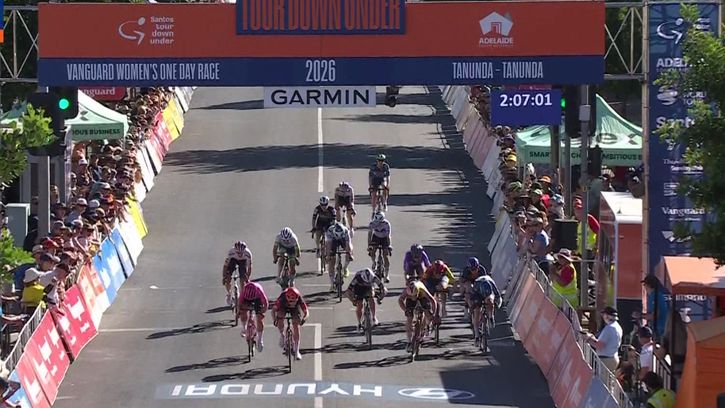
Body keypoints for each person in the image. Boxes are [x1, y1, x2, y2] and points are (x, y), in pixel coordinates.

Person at [398, 278, 437, 352]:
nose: (414, 298)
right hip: (410, 299)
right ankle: (409, 341)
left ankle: (427, 325)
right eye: (412, 296)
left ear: (417, 292)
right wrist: (405, 310)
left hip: (422, 297)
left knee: (427, 313)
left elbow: (433, 301)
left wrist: (433, 314)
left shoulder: (422, 290)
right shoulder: (406, 291)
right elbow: (400, 300)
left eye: (415, 295)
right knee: (409, 318)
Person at [272, 285, 309, 361]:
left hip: (295, 309)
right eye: (290, 301)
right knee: (280, 316)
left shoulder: (299, 298)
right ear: (287, 298)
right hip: (283, 307)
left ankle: (297, 350)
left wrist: (304, 319)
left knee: (296, 325)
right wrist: (275, 319)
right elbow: (273, 310)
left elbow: (306, 312)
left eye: (294, 301)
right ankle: (282, 335)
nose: (292, 303)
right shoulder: (282, 298)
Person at [585, 306, 623, 372]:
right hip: (613, 357)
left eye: (604, 315)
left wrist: (587, 339)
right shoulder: (617, 327)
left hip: (606, 360)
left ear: (607, 316)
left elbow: (599, 345)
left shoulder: (609, 328)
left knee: (603, 378)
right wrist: (592, 339)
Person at [345, 268, 385, 332]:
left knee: (371, 297)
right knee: (359, 305)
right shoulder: (357, 278)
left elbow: (383, 289)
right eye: (366, 282)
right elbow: (348, 292)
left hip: (369, 287)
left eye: (368, 282)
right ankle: (359, 323)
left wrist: (380, 298)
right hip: (359, 287)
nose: (366, 283)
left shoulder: (374, 277)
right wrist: (353, 301)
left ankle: (374, 317)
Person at [238, 274, 269, 352]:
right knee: (242, 311)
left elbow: (265, 303)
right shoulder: (244, 290)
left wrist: (263, 310)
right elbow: (240, 303)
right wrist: (239, 311)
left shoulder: (259, 290)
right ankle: (244, 327)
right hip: (246, 299)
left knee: (259, 318)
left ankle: (260, 339)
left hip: (257, 299)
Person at [470, 274, 502, 347]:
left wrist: (497, 305)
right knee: (477, 311)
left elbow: (498, 297)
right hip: (478, 294)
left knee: (490, 301)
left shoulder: (492, 284)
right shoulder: (476, 286)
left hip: (488, 293)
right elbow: (472, 298)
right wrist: (473, 306)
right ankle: (477, 336)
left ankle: (491, 317)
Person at [222, 241, 253, 306]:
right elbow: (225, 265)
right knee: (227, 278)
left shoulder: (248, 253)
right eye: (238, 253)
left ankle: (242, 296)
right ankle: (229, 293)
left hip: (243, 261)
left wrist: (247, 277)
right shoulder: (231, 252)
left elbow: (249, 267)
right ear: (235, 250)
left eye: (241, 253)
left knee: (243, 279)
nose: (240, 254)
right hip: (233, 260)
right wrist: (224, 276)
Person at [325, 221, 353, 291]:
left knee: (350, 251)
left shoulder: (345, 231)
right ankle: (332, 284)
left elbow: (348, 244)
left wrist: (349, 254)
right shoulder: (330, 231)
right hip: (333, 241)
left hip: (343, 240)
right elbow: (328, 245)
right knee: (331, 261)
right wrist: (328, 256)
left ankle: (345, 268)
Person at [367, 211, 392, 282]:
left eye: (380, 222)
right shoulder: (372, 223)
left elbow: (388, 236)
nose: (378, 223)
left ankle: (387, 274)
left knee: (385, 255)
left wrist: (389, 245)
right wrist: (369, 245)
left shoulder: (387, 224)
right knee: (372, 251)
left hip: (385, 238)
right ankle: (374, 262)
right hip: (376, 237)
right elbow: (369, 235)